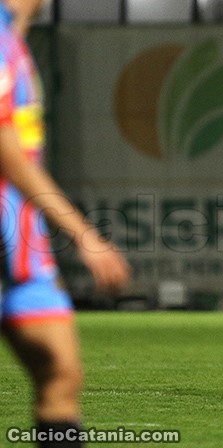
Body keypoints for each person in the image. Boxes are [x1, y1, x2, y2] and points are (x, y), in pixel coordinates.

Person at [0, 0, 131, 446]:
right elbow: (6, 152)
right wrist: (83, 235)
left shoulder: (12, 38)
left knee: (62, 375)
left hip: (21, 240)